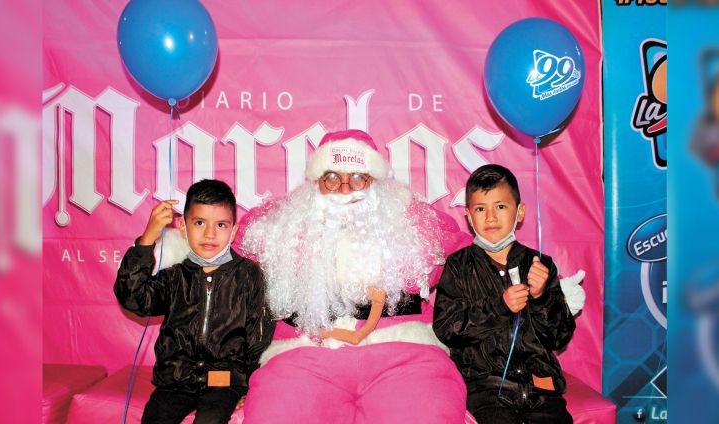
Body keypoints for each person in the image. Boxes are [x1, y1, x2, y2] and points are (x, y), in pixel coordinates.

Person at [238, 129, 467, 423]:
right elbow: (219, 255)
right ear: (316, 182)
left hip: (404, 352)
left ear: (376, 182)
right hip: (304, 354)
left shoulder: (415, 222)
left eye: (358, 178)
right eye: (332, 178)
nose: (345, 190)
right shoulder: (280, 225)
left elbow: (470, 260)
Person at [114, 179, 274, 424]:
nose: (210, 234)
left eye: (221, 225)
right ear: (183, 226)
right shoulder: (174, 276)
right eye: (199, 223)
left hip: (224, 382)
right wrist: (146, 241)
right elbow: (134, 299)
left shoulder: (249, 275)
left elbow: (258, 337)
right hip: (175, 381)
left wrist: (248, 386)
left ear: (233, 231)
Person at [433, 164, 576, 424]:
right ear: (469, 216)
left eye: (500, 206)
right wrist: (499, 307)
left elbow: (559, 336)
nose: (490, 217)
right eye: (480, 209)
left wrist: (542, 297)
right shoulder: (458, 265)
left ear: (519, 212)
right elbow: (446, 328)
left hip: (540, 385)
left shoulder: (539, 264)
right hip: (486, 387)